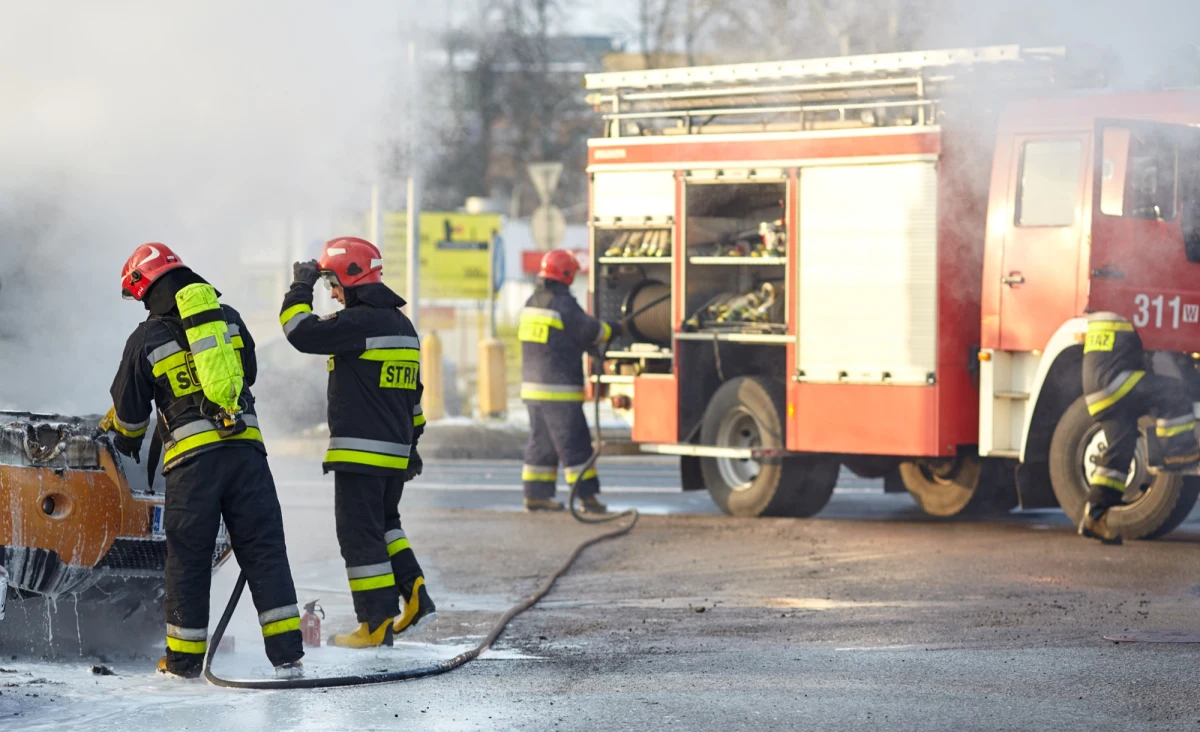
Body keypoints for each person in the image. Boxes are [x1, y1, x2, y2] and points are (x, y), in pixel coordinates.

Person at [107, 243, 304, 679]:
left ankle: (182, 664)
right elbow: (247, 373)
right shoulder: (228, 318)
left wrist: (124, 439)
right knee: (265, 551)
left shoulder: (145, 338)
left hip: (193, 467)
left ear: (144, 287)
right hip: (248, 454)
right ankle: (288, 656)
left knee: (188, 559)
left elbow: (129, 415)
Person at [281, 236, 435, 648]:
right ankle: (415, 593)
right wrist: (411, 445)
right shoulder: (403, 326)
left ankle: (375, 624)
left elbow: (299, 331)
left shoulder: (360, 323)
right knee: (386, 526)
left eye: (333, 282)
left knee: (358, 535)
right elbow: (412, 396)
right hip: (394, 453)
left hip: (360, 454)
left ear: (351, 276)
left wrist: (301, 285)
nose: (331, 292)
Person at [1080, 311, 1200, 543]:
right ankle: (1176, 451)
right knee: (1173, 391)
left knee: (1120, 451)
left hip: (1097, 389)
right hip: (1116, 381)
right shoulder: (1133, 305)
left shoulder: (1103, 313)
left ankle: (1095, 517)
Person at [519, 249, 622, 513]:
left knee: (541, 442)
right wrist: (616, 328)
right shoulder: (562, 303)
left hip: (532, 389)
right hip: (558, 391)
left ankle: (536, 495)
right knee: (574, 443)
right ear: (565, 274)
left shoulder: (532, 301)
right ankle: (587, 498)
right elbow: (591, 331)